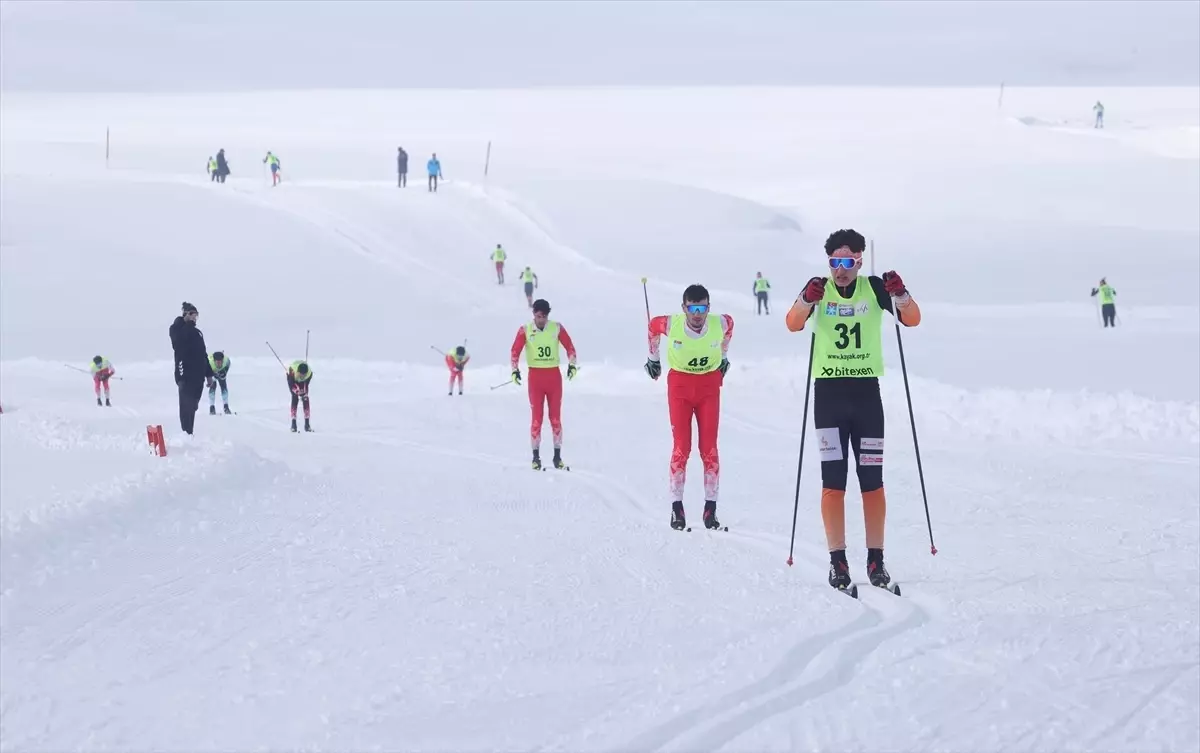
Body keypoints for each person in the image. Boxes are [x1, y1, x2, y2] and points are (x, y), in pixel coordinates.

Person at [785, 228, 922, 594]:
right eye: (834, 262)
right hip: (828, 396)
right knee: (833, 480)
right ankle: (837, 562)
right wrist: (804, 299)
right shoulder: (818, 288)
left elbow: (912, 319)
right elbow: (793, 323)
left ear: (860, 260)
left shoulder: (874, 288)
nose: (840, 270)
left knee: (872, 480)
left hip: (865, 397)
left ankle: (876, 559)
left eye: (847, 262)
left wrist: (900, 294)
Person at [645, 284, 733, 531]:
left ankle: (710, 510)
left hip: (708, 387)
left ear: (708, 308)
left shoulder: (721, 323)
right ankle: (676, 509)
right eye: (692, 308)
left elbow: (730, 328)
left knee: (709, 449)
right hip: (680, 388)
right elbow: (652, 326)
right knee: (682, 448)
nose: (697, 314)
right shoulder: (672, 324)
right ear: (684, 308)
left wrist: (724, 357)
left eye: (702, 308)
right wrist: (653, 359)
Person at [510, 298, 578, 470]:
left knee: (555, 418)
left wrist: (572, 365)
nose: (541, 319)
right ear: (533, 314)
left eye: (544, 316)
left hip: (553, 377)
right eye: (539, 316)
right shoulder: (525, 330)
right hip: (535, 379)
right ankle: (535, 457)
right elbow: (515, 351)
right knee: (537, 419)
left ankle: (557, 457)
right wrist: (514, 369)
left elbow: (570, 346)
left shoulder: (556, 328)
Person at [169, 301, 212, 435]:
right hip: (185, 374)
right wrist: (187, 324)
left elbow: (203, 353)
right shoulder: (176, 328)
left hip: (198, 375)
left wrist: (209, 374)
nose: (194, 317)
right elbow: (178, 343)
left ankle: (189, 431)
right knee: (186, 405)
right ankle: (186, 433)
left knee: (193, 405)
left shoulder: (197, 333)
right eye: (192, 314)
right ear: (185, 314)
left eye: (196, 315)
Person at [286, 360, 313, 432]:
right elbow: (291, 386)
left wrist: (303, 392)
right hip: (293, 379)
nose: (302, 377)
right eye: (300, 375)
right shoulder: (292, 372)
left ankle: (307, 424)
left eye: (303, 375)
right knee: (294, 396)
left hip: (304, 380)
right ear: (298, 372)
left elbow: (305, 386)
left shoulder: (309, 374)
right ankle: (293, 423)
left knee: (305, 397)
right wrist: (296, 391)